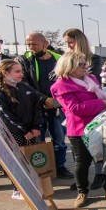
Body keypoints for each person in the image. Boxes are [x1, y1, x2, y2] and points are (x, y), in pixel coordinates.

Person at [49, 51, 106, 208]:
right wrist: (102, 104)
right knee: (82, 163)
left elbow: (101, 97)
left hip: (100, 125)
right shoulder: (60, 85)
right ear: (69, 66)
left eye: (86, 63)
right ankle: (82, 192)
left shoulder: (91, 79)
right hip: (80, 129)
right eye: (81, 65)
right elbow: (75, 109)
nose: (85, 67)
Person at [20, 32, 72, 179]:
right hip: (37, 107)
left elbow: (67, 80)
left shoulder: (59, 59)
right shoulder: (25, 60)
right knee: (39, 140)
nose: (31, 47)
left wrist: (56, 101)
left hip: (57, 107)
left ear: (46, 43)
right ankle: (43, 170)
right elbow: (24, 84)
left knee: (60, 138)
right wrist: (44, 100)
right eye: (28, 44)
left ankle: (60, 167)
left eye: (34, 44)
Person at [0, 59, 44, 200]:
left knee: (32, 160)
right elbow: (5, 116)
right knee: (18, 161)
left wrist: (35, 127)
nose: (21, 74)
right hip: (15, 134)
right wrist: (23, 131)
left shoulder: (25, 87)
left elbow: (37, 108)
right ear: (5, 73)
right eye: (17, 71)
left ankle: (34, 186)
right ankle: (17, 189)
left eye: (21, 71)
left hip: (31, 132)